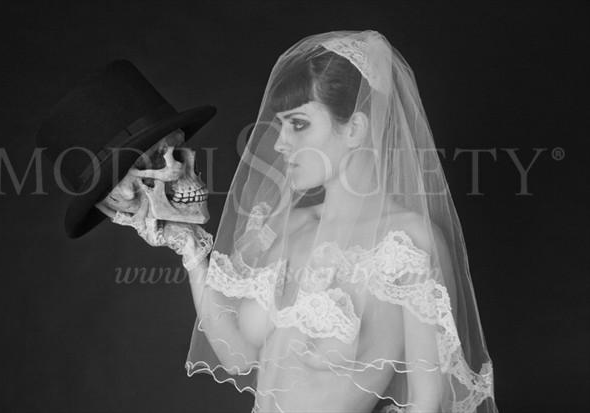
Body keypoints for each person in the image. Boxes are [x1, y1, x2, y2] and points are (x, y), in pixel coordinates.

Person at [161, 30, 496, 412]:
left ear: (354, 129)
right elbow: (237, 356)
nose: (280, 143)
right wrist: (190, 252)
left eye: (298, 124)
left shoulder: (406, 242)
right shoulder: (290, 226)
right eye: (280, 125)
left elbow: (428, 402)